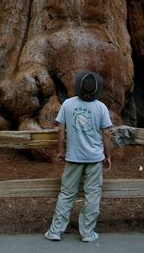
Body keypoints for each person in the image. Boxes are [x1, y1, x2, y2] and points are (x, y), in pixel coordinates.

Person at [44, 71, 112, 243]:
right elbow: (106, 133)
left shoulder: (68, 104)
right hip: (94, 158)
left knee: (66, 193)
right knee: (93, 194)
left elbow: (60, 128)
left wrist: (61, 150)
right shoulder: (101, 107)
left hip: (73, 157)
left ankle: (56, 231)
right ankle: (87, 233)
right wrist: (107, 155)